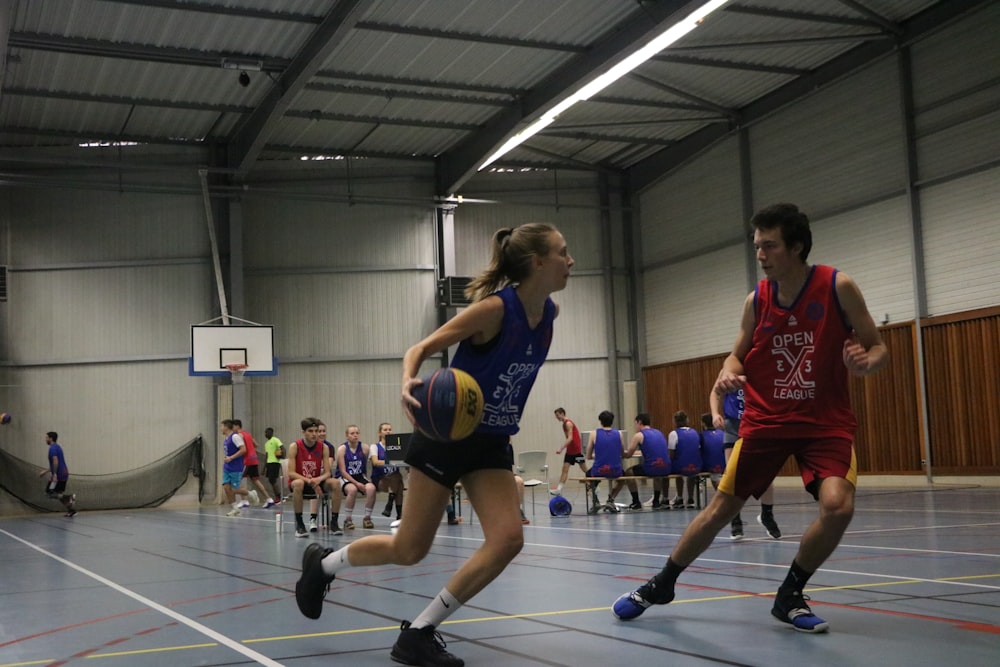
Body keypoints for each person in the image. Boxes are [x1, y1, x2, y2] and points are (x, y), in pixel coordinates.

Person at [295, 222, 572, 667]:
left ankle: (420, 633)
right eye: (563, 252)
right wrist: (409, 383)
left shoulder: (550, 315)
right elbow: (420, 348)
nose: (570, 260)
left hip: (492, 441)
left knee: (507, 539)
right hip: (447, 437)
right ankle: (323, 566)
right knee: (409, 549)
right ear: (538, 262)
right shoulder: (495, 311)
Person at [612, 203, 888, 634]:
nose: (760, 254)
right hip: (767, 422)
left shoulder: (838, 286)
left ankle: (790, 593)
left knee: (838, 507)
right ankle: (661, 584)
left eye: (769, 246)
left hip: (825, 423)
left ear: (796, 247)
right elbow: (737, 356)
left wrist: (867, 363)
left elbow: (877, 346)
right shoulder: (757, 301)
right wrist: (728, 372)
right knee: (721, 509)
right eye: (757, 246)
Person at [710, 389, 781, 539]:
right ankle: (735, 520)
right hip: (733, 426)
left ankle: (767, 515)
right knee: (732, 474)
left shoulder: (759, 370)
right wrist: (715, 413)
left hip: (756, 424)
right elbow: (716, 392)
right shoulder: (730, 371)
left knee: (766, 475)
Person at [607, 413, 671, 510]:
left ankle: (636, 502)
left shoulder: (639, 435)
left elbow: (628, 455)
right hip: (666, 466)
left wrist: (619, 450)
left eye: (635, 424)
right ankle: (656, 501)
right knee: (657, 473)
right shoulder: (659, 432)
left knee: (629, 472)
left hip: (652, 467)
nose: (635, 427)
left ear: (639, 422)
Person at [287, 417, 332, 538]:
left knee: (335, 483)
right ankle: (300, 523)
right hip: (300, 482)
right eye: (310, 431)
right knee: (298, 483)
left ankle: (334, 521)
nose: (314, 434)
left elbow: (328, 472)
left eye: (316, 431)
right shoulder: (294, 446)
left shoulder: (324, 447)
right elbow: (291, 473)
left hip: (315, 481)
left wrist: (318, 480)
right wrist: (310, 481)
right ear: (304, 432)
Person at [584, 410, 625, 513]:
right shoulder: (619, 434)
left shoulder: (594, 434)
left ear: (600, 421)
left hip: (600, 470)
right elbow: (622, 453)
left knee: (587, 478)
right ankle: (611, 499)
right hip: (615, 470)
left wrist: (598, 455)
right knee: (623, 478)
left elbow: (588, 455)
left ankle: (595, 501)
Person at [337, 424, 377, 530]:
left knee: (371, 488)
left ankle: (367, 518)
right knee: (352, 490)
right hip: (345, 476)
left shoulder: (364, 448)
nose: (355, 435)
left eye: (357, 433)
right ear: (347, 435)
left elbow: (371, 463)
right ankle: (348, 519)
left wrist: (370, 479)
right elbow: (342, 471)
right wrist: (356, 483)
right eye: (352, 433)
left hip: (359, 475)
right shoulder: (342, 449)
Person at [234, 419, 274, 508]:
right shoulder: (248, 434)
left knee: (238, 479)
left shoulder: (239, 435)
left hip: (247, 460)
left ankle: (244, 501)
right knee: (255, 480)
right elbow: (256, 444)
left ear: (237, 426)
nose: (232, 429)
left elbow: (240, 448)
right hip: (254, 459)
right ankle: (269, 499)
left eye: (233, 426)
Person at [667, 411, 702, 509]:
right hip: (695, 466)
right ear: (687, 420)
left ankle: (680, 497)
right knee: (691, 474)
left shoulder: (673, 434)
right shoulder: (695, 432)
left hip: (680, 466)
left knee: (677, 472)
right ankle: (691, 498)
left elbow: (672, 453)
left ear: (675, 421)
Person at [371, 422, 405, 521]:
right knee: (397, 478)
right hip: (381, 479)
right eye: (385, 430)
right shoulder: (375, 446)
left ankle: (393, 510)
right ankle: (397, 512)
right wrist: (391, 461)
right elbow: (375, 462)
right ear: (379, 433)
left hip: (394, 480)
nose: (388, 432)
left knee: (398, 481)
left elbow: (402, 461)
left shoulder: (396, 446)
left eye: (390, 429)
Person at [38, 431, 77, 517]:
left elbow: (55, 461)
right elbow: (55, 463)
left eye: (46, 438)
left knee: (49, 493)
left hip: (59, 475)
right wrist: (46, 471)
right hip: (63, 473)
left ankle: (69, 497)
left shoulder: (52, 449)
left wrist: (54, 474)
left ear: (51, 438)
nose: (45, 439)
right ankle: (71, 510)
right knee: (59, 493)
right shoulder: (57, 447)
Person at [550, 408, 586, 496]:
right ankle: (559, 489)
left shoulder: (568, 423)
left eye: (558, 415)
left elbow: (570, 438)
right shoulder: (564, 424)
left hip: (577, 450)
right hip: (570, 450)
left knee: (584, 468)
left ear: (562, 413)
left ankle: (595, 485)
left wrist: (561, 448)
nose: (557, 417)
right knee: (565, 469)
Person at [316, 421, 344, 535]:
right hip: (311, 478)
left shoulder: (329, 447)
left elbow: (326, 467)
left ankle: (334, 521)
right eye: (319, 431)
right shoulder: (308, 447)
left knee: (336, 483)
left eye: (324, 431)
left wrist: (320, 475)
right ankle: (313, 518)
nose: (321, 433)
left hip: (324, 478)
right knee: (313, 485)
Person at [220, 419, 249, 516]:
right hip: (227, 467)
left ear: (226, 427)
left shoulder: (235, 437)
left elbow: (243, 449)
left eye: (222, 426)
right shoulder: (226, 439)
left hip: (236, 466)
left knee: (234, 489)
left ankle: (250, 493)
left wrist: (231, 458)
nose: (221, 428)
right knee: (226, 487)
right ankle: (235, 508)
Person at [699, 413, 726, 493]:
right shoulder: (723, 433)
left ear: (703, 423)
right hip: (724, 464)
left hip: (709, 465)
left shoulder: (702, 436)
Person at [263, 426, 284, 505]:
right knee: (271, 480)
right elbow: (267, 455)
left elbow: (282, 448)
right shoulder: (266, 443)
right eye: (265, 433)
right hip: (269, 463)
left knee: (273, 480)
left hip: (275, 462)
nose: (265, 434)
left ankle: (279, 497)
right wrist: (264, 468)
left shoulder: (275, 440)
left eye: (267, 432)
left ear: (271, 433)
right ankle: (277, 496)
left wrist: (283, 455)